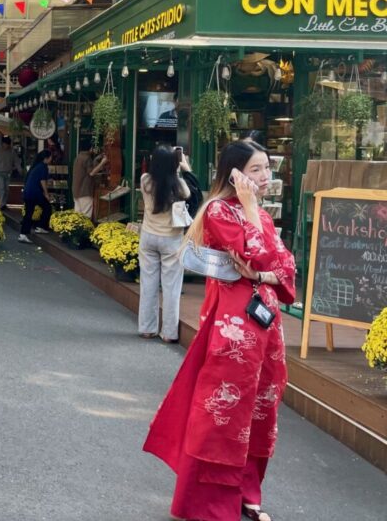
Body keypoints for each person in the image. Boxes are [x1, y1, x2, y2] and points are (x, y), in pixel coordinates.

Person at [144, 140, 296, 521]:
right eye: (256, 169)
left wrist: (262, 272)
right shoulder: (218, 210)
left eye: (267, 168)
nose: (264, 177)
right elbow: (261, 254)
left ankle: (248, 489)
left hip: (265, 320)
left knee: (262, 405)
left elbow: (285, 268)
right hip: (234, 323)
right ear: (234, 172)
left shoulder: (258, 212)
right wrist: (262, 259)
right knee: (224, 409)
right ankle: (211, 501)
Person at [137, 146, 191, 343]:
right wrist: (183, 166)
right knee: (171, 288)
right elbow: (189, 192)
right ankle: (169, 333)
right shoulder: (179, 186)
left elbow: (155, 176)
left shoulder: (145, 180)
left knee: (148, 284)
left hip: (149, 236)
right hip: (171, 239)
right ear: (174, 164)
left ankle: (146, 328)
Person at [18, 150, 52, 243]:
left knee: (30, 212)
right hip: (34, 193)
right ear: (46, 158)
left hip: (29, 192)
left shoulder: (36, 166)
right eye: (50, 157)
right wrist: (46, 193)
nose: (51, 159)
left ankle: (27, 232)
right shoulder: (43, 167)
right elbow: (42, 181)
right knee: (46, 207)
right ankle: (34, 229)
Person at [72, 139, 107, 218]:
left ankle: (77, 230)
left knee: (78, 216)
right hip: (85, 191)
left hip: (76, 191)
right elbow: (91, 173)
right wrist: (103, 162)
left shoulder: (78, 157)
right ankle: (84, 230)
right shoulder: (87, 158)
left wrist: (96, 160)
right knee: (86, 215)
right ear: (90, 148)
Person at [0, 136, 20, 208]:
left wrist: (19, 169)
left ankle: (4, 203)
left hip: (8, 172)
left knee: (6, 189)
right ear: (3, 144)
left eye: (8, 144)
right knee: (1, 188)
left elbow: (16, 161)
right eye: (5, 144)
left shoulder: (12, 152)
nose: (6, 146)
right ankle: (2, 204)